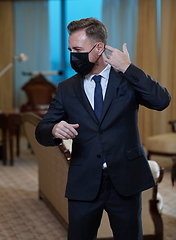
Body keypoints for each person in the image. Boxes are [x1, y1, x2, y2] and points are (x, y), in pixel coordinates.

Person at [35, 17, 171, 240]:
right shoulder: (66, 89)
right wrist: (53, 130)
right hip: (84, 180)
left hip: (125, 179)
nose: (73, 55)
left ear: (99, 48)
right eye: (70, 49)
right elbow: (42, 129)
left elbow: (162, 101)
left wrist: (128, 67)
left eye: (78, 49)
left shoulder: (127, 79)